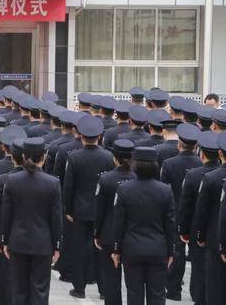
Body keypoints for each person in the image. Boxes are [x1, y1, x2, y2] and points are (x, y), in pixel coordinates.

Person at [1, 137, 63, 305]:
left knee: (18, 291)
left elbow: (6, 214)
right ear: (43, 157)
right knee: (40, 291)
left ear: (23, 155)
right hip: (42, 245)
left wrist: (5, 240)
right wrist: (57, 245)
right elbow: (56, 218)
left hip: (17, 242)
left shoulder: (12, 180)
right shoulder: (53, 183)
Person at [112, 147, 175, 305]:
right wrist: (171, 250)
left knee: (134, 294)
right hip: (158, 248)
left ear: (135, 165)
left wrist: (116, 249)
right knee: (157, 294)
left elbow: (119, 223)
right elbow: (170, 223)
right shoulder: (165, 190)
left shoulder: (124, 189)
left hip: (132, 248)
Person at [63, 115, 114, 299]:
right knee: (101, 250)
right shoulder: (108, 157)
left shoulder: (74, 157)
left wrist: (67, 209)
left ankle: (79, 288)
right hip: (101, 210)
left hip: (79, 210)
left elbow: (69, 187)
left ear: (81, 136)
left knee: (79, 250)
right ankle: (103, 290)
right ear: (99, 137)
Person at [178, 131, 222, 305]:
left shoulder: (194, 175)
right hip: (216, 231)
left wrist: (184, 230)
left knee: (198, 270)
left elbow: (187, 206)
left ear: (201, 152)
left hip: (200, 231)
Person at [159, 123, 201, 300]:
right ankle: (196, 291)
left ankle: (174, 289)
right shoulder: (200, 163)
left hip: (174, 212)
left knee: (176, 252)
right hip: (196, 214)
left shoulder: (169, 164)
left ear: (179, 145)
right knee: (197, 255)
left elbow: (164, 190)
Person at [94, 139, 137, 305]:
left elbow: (100, 210)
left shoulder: (105, 179)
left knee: (111, 278)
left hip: (109, 233)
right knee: (133, 279)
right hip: (131, 234)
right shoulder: (136, 178)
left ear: (114, 158)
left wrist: (96, 233)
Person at [194, 131, 226, 305]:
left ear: (220, 153)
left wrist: (199, 235)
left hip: (214, 237)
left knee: (214, 284)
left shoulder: (211, 178)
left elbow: (202, 211)